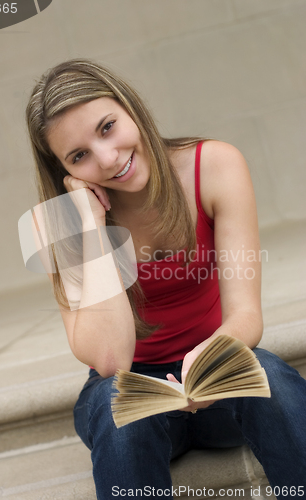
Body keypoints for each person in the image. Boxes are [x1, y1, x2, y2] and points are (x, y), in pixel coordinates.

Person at [26, 59, 306, 499]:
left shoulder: (214, 164)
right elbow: (110, 361)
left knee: (271, 375)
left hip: (215, 371)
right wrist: (89, 223)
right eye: (79, 155)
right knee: (113, 402)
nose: (107, 158)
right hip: (135, 394)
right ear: (63, 170)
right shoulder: (55, 225)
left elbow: (247, 315)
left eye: (107, 127)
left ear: (130, 107)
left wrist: (212, 358)